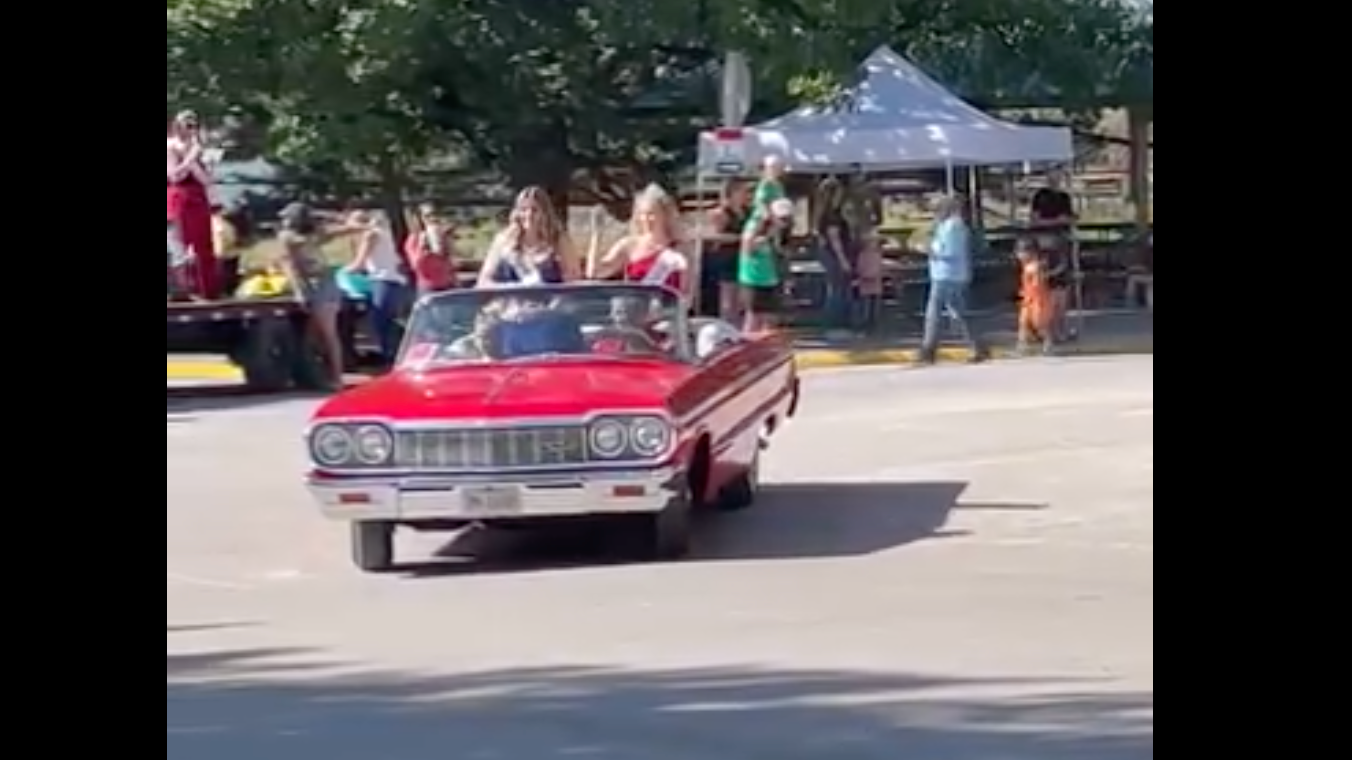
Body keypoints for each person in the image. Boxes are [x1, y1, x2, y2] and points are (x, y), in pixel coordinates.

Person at [275, 203, 364, 389]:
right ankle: (323, 374)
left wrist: (299, 291)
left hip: (322, 284)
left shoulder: (297, 237)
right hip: (317, 282)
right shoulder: (298, 237)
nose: (283, 221)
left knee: (327, 333)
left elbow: (291, 267)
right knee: (316, 334)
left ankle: (336, 377)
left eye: (287, 217)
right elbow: (290, 265)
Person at [919, 194, 986, 364]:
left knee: (941, 314)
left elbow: (950, 252)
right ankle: (975, 346)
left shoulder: (953, 227)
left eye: (936, 210)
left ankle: (929, 350)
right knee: (952, 314)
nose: (934, 214)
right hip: (942, 274)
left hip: (950, 275)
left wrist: (929, 250)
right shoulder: (944, 226)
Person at [590, 184, 689, 299]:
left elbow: (687, 294)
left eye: (651, 214)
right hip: (634, 313)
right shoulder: (629, 245)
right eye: (642, 214)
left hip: (668, 314)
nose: (646, 219)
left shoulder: (680, 249)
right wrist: (596, 235)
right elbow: (595, 272)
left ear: (665, 215)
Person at [477, 186, 581, 287]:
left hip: (550, 302)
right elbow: (483, 281)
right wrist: (512, 288)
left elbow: (573, 281)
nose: (529, 215)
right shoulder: (503, 240)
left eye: (535, 210)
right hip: (510, 302)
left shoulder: (559, 240)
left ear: (545, 213)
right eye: (523, 209)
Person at [345, 210, 410, 364]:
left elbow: (358, 264)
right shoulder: (383, 233)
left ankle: (391, 357)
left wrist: (340, 272)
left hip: (383, 280)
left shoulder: (370, 235)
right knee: (390, 321)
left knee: (381, 322)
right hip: (394, 281)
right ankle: (395, 354)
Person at [167, 110, 220, 299]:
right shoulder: (171, 146)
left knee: (204, 246)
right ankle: (181, 289)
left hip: (199, 197)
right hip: (179, 196)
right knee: (179, 246)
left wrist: (204, 161)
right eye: (186, 125)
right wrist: (189, 157)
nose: (190, 129)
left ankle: (208, 290)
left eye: (193, 125)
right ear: (177, 126)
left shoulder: (200, 148)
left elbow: (208, 180)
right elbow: (174, 175)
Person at [1030, 170, 1078, 341]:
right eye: (1053, 177)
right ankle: (1048, 329)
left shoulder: (1064, 197)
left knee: (1063, 287)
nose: (1056, 180)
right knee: (1049, 287)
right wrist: (1056, 221)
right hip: (1045, 242)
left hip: (1062, 241)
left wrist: (1068, 221)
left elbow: (1071, 218)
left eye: (1058, 177)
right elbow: (1035, 220)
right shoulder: (1040, 196)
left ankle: (1061, 327)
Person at [700, 180, 751, 319]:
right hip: (726, 258)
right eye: (742, 191)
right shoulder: (720, 213)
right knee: (728, 299)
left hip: (744, 258)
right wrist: (738, 238)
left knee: (742, 300)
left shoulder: (748, 212)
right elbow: (713, 237)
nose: (746, 195)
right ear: (732, 193)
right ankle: (726, 328)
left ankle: (738, 331)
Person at [813, 176, 856, 336]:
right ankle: (836, 325)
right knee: (837, 290)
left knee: (836, 289)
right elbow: (834, 238)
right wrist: (843, 259)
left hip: (829, 255)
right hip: (835, 256)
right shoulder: (832, 215)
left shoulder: (823, 214)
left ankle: (835, 324)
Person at [404, 202, 458, 295]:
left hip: (449, 286)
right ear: (420, 218)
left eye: (435, 214)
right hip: (429, 288)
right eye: (427, 216)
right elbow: (415, 265)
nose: (432, 219)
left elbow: (452, 262)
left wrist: (446, 241)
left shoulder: (443, 236)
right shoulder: (414, 239)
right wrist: (423, 247)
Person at [1014, 238, 1054, 355]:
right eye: (1018, 252)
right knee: (1023, 323)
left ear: (1031, 253)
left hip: (1038, 300)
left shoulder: (1034, 267)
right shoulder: (1026, 265)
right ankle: (1022, 347)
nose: (1019, 255)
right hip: (1028, 300)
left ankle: (1048, 343)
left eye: (1022, 252)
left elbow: (1037, 286)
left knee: (1040, 325)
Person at [854, 230, 885, 333]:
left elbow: (881, 267)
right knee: (865, 307)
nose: (874, 244)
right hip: (866, 284)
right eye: (871, 242)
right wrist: (865, 275)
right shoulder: (862, 255)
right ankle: (864, 325)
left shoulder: (878, 255)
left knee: (875, 307)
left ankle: (874, 325)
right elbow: (859, 268)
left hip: (876, 284)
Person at [212, 205, 242, 298]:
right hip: (225, 252)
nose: (226, 211)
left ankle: (229, 291)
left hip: (229, 251)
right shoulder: (216, 222)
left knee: (230, 273)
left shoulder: (223, 221)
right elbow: (220, 236)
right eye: (223, 209)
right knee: (227, 273)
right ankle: (227, 292)